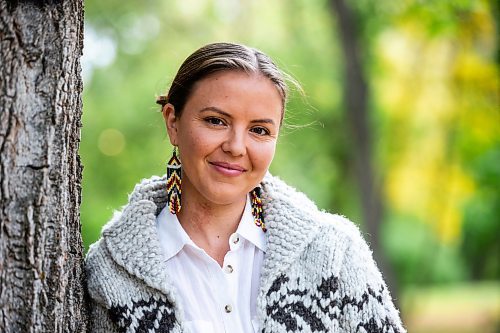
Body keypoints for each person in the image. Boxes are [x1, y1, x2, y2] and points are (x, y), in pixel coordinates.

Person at [85, 42, 406, 333]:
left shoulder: (335, 251)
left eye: (259, 130)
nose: (237, 147)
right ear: (173, 122)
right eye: (216, 121)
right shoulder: (111, 272)